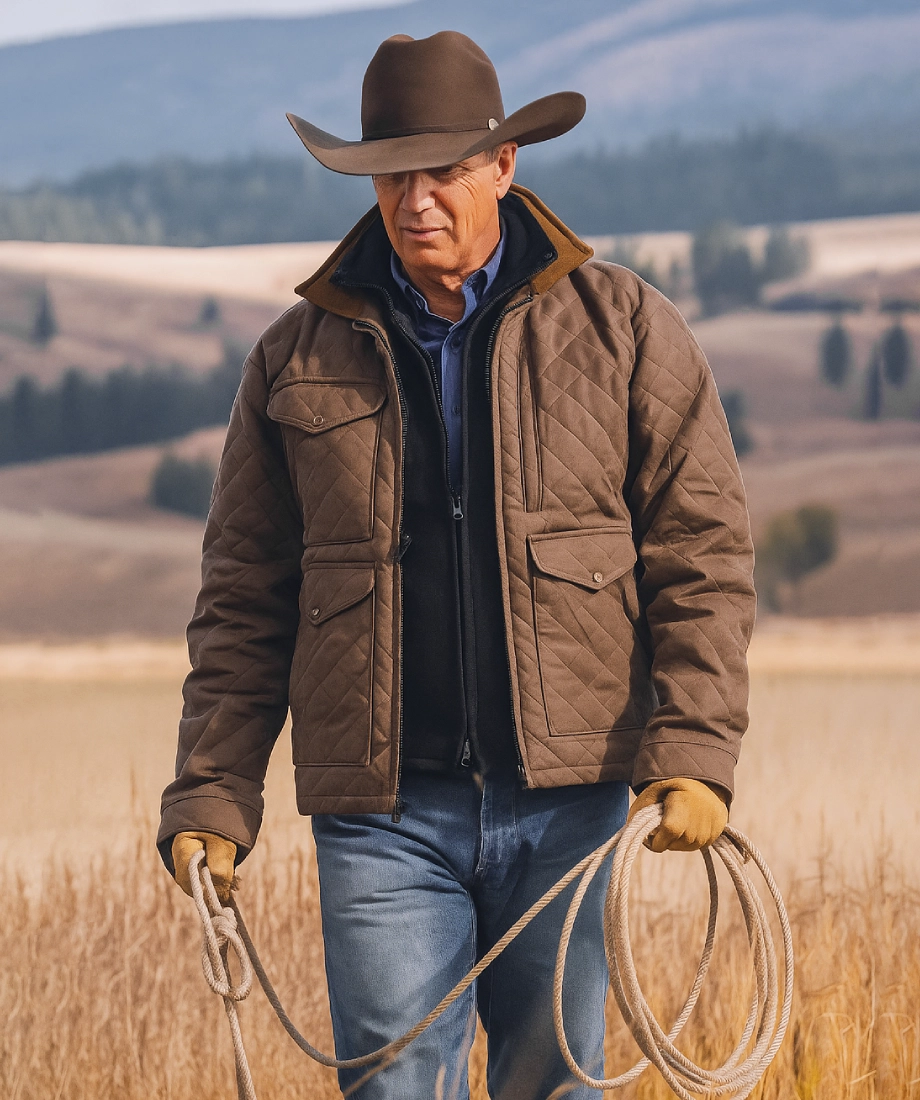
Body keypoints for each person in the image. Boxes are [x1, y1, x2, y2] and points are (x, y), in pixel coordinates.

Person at [159, 30, 755, 1100]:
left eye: (440, 169)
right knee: (390, 1090)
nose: (414, 197)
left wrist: (696, 746)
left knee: (557, 1087)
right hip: (380, 817)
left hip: (568, 801)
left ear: (502, 167)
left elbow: (700, 552)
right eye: (392, 173)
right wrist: (212, 789)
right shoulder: (292, 357)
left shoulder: (624, 329)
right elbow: (245, 594)